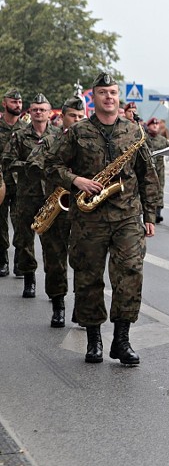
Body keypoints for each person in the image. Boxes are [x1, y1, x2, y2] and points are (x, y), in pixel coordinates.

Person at [45, 72, 158, 365]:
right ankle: (93, 339)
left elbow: (148, 174)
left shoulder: (134, 132)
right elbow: (51, 165)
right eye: (103, 92)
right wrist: (76, 180)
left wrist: (150, 214)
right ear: (92, 97)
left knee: (131, 273)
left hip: (127, 215)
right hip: (89, 218)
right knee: (88, 277)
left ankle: (122, 340)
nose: (109, 97)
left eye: (113, 92)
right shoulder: (78, 132)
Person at [26, 96, 86, 327]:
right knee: (54, 260)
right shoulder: (51, 140)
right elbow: (34, 165)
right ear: (62, 117)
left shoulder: (90, 142)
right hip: (57, 206)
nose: (77, 120)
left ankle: (81, 309)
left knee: (84, 261)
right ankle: (58, 305)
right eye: (73, 116)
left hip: (83, 209)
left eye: (81, 117)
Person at [2, 94, 60, 298]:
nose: (38, 112)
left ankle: (53, 287)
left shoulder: (58, 135)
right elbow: (7, 160)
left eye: (42, 109)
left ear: (49, 112)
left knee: (51, 244)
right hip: (26, 195)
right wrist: (28, 167)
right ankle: (29, 279)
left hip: (51, 196)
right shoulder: (19, 135)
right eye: (35, 109)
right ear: (30, 111)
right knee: (24, 240)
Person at [0, 88, 25, 277]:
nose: (17, 105)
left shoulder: (26, 129)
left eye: (19, 102)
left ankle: (19, 261)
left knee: (20, 223)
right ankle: (2, 260)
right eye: (13, 102)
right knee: (0, 223)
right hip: (1, 183)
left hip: (20, 184)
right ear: (5, 103)